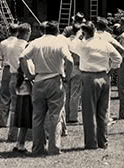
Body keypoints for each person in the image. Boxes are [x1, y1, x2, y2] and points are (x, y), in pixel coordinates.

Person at [19, 21, 73, 155]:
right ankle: (54, 148)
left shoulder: (36, 42)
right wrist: (67, 76)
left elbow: (22, 57)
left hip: (38, 80)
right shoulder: (59, 43)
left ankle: (37, 148)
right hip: (55, 80)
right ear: (56, 31)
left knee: (37, 116)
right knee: (55, 116)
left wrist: (29, 75)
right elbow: (70, 60)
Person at [70, 21, 122, 149]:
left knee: (89, 112)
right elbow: (118, 58)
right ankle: (103, 141)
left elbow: (71, 46)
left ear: (84, 32)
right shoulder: (104, 43)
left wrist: (79, 36)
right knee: (102, 112)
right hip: (104, 76)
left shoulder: (83, 45)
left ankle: (91, 143)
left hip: (88, 77)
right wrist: (111, 69)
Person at [7, 23, 31, 141]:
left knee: (14, 107)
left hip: (12, 75)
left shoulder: (10, 45)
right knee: (27, 107)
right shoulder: (26, 46)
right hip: (22, 77)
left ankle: (12, 134)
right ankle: (27, 135)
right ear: (27, 33)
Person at [63, 13, 85, 125]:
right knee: (75, 94)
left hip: (66, 67)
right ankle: (73, 117)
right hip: (77, 66)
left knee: (67, 94)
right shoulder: (81, 41)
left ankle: (66, 116)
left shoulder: (66, 40)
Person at [0, 23, 19, 128]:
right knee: (16, 97)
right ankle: (15, 122)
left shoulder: (3, 43)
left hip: (7, 69)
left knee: (4, 95)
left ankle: (2, 121)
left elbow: (0, 56)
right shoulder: (20, 43)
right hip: (16, 69)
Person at [12, 62, 34, 153]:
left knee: (22, 124)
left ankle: (19, 143)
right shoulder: (30, 64)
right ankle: (21, 144)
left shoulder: (21, 66)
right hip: (27, 98)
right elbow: (29, 84)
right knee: (25, 123)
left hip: (21, 97)